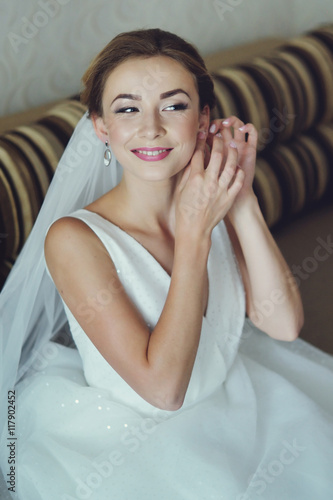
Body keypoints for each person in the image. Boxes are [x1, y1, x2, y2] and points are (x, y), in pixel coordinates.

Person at [0, 28, 333, 500]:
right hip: (134, 441)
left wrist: (243, 198)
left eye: (174, 105)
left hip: (238, 399)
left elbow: (281, 325)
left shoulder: (211, 197)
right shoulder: (73, 239)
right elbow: (163, 392)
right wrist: (195, 234)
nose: (151, 127)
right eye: (127, 108)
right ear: (100, 126)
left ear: (202, 119)